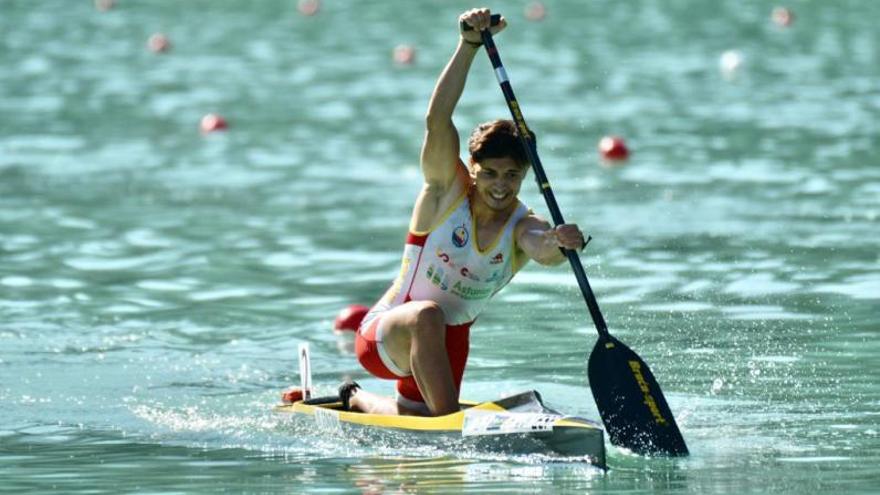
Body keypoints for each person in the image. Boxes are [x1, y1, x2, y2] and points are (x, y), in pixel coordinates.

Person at [347, 8, 587, 417]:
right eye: (489, 173)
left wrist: (561, 244)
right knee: (427, 314)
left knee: (416, 417)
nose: (500, 184)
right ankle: (448, 424)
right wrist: (468, 46)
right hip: (387, 336)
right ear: (472, 169)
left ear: (525, 174)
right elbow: (437, 119)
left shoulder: (524, 225)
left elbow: (543, 249)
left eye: (512, 175)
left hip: (449, 343)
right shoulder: (446, 191)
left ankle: (356, 399)